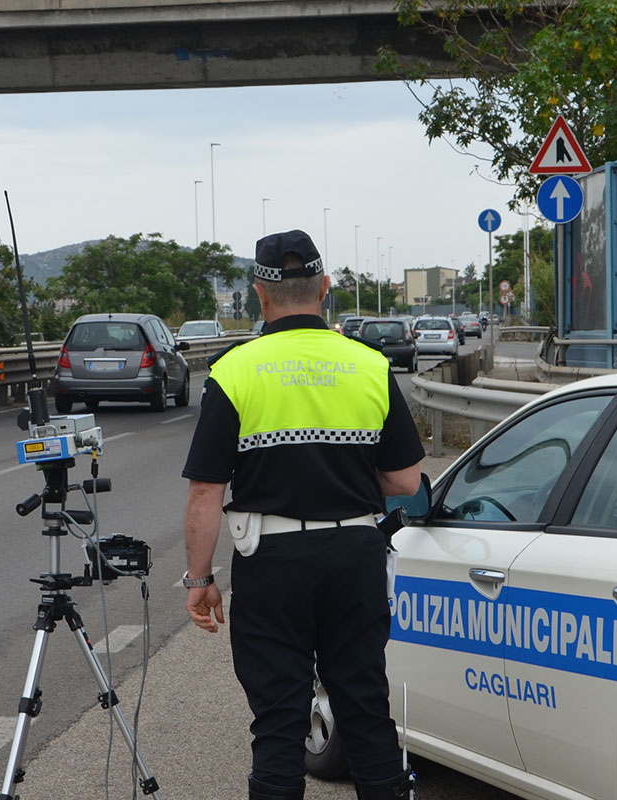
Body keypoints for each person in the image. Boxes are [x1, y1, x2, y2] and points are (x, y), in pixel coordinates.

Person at [181, 229, 424, 800]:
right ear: (326, 288)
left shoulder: (234, 371)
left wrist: (200, 579)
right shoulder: (368, 365)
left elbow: (204, 494)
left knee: (279, 722)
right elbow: (405, 482)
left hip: (273, 562)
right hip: (355, 558)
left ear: (260, 296)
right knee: (365, 709)